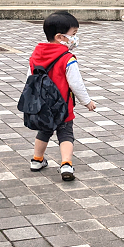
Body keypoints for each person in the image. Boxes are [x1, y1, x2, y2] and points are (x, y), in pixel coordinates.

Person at [27, 11, 96, 181]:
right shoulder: (67, 58)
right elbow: (76, 83)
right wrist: (87, 101)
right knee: (65, 133)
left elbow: (29, 79)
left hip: (42, 104)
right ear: (60, 37)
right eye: (73, 34)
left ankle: (37, 160)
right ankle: (66, 164)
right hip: (63, 105)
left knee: (44, 131)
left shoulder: (36, 54)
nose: (75, 38)